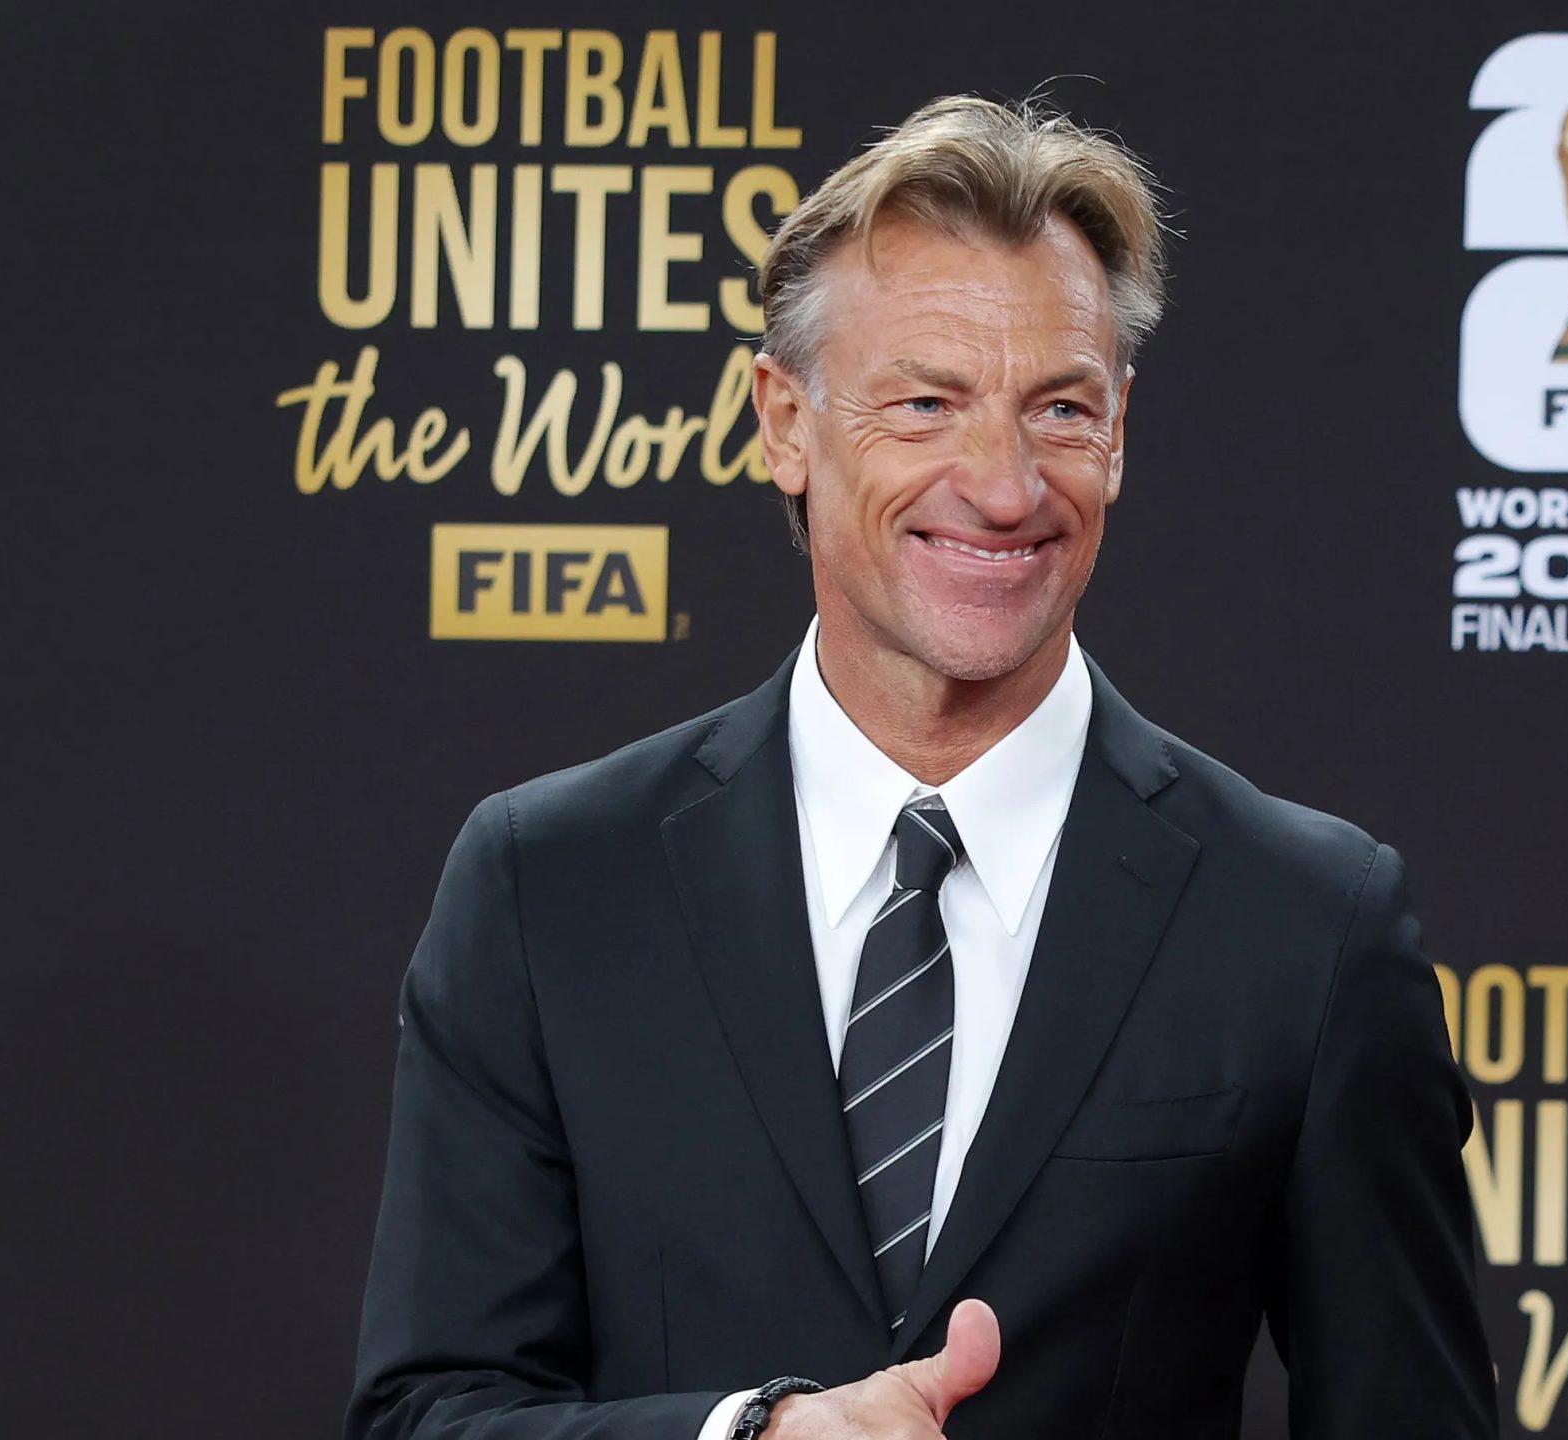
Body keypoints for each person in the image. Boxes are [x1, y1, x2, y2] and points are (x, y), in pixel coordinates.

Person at [347, 95, 1497, 1440]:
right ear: (784, 422)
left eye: (1059, 408)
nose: (1003, 486)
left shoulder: (1307, 924)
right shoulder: (549, 887)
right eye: (926, 404)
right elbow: (429, 1417)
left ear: (1120, 430)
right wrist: (752, 1438)